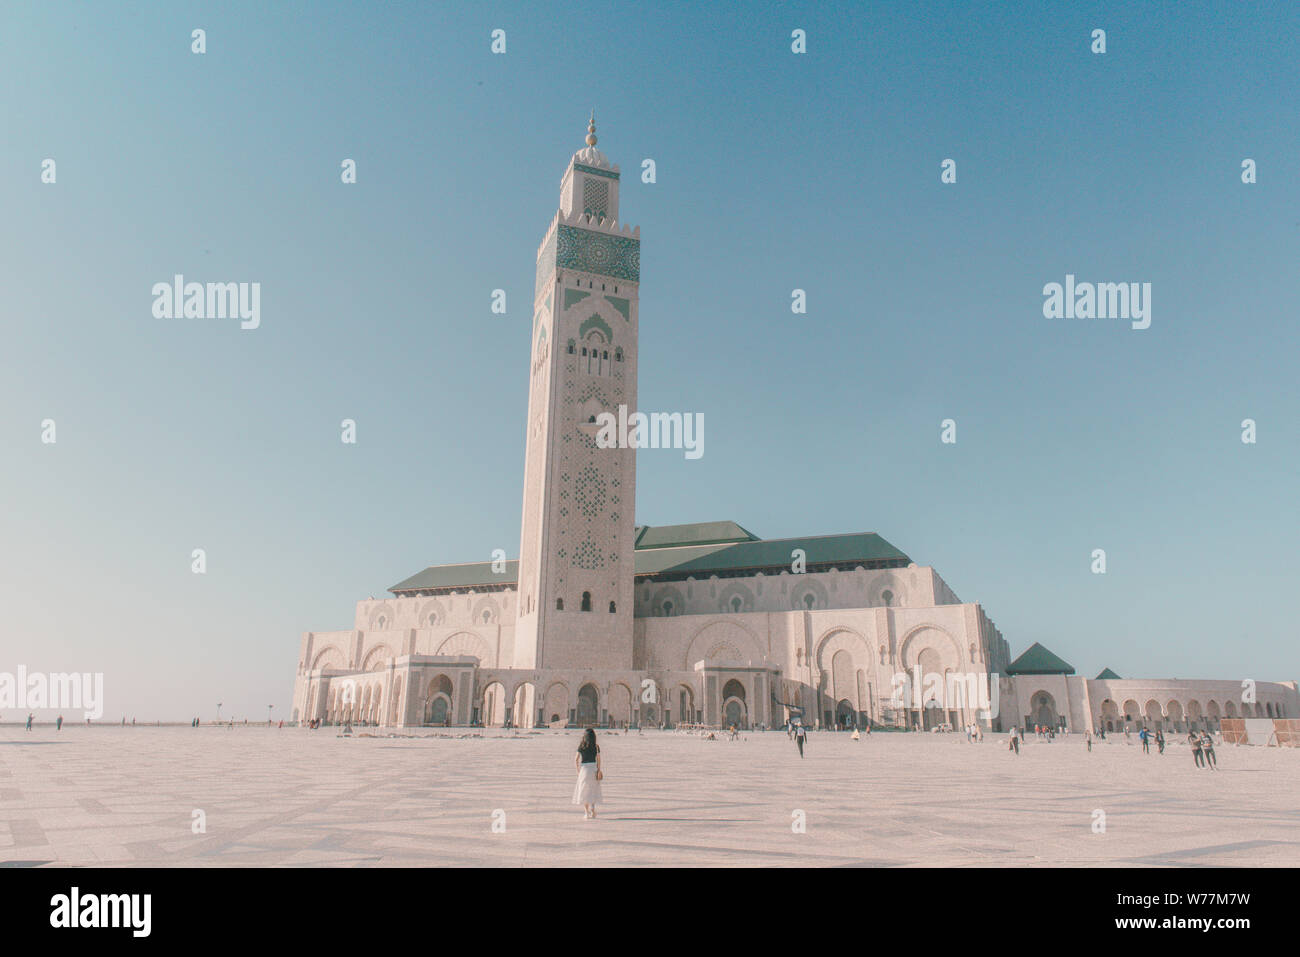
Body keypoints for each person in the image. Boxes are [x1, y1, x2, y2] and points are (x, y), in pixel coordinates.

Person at [573, 727, 603, 819]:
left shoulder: (581, 746)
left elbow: (576, 759)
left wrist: (578, 771)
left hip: (584, 770)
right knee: (593, 790)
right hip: (593, 768)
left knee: (584, 791)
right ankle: (593, 809)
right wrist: (598, 769)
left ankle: (586, 812)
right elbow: (598, 760)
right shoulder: (596, 746)